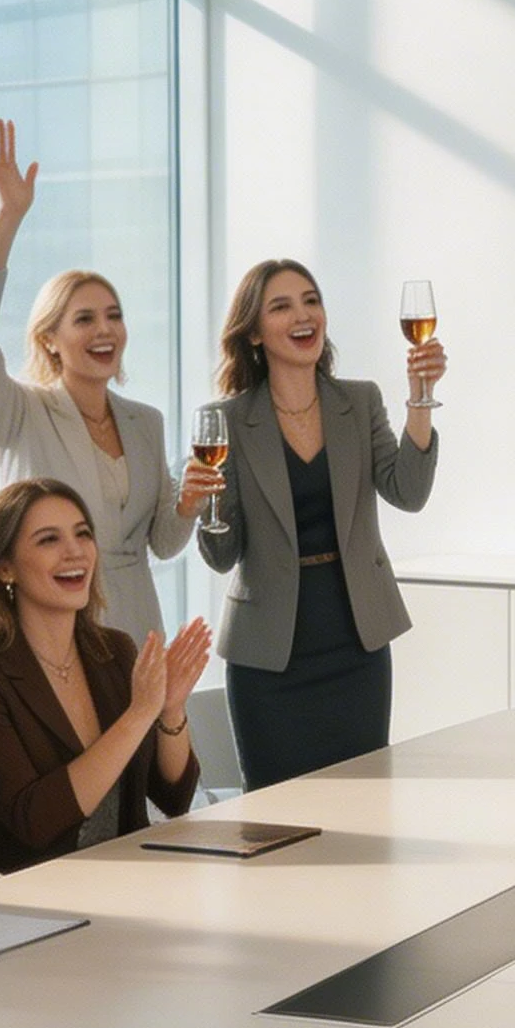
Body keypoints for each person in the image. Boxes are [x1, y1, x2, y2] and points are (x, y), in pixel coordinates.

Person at [0, 120, 222, 646]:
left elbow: (162, 544)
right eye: (85, 319)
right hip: (54, 629)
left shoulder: (146, 421)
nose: (104, 331)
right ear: (49, 339)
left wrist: (186, 505)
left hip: (138, 630)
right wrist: (9, 216)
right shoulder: (19, 413)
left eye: (113, 316)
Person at [196, 259, 444, 790]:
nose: (303, 315)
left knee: (364, 804)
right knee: (273, 819)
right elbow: (221, 554)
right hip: (268, 657)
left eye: (311, 300)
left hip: (356, 644)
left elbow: (409, 491)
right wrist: (204, 502)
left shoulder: (359, 400)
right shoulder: (229, 421)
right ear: (255, 333)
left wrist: (420, 396)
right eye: (281, 306)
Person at [0, 479, 210, 873]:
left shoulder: (113, 651)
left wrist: (169, 710)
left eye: (83, 534)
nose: (75, 551)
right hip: (22, 897)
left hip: (123, 879)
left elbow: (172, 798)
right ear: (4, 567)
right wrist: (137, 715)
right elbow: (35, 821)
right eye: (49, 540)